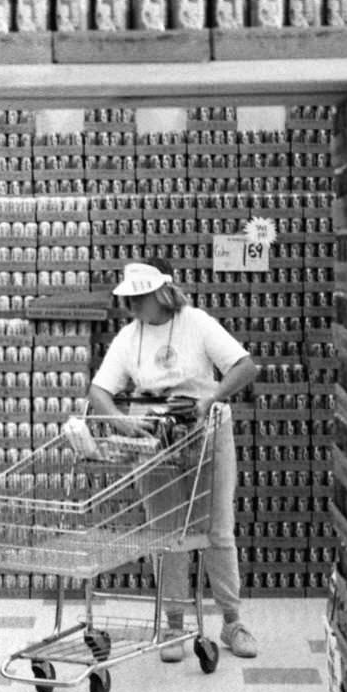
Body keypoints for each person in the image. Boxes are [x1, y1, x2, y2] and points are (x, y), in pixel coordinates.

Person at [87, 260, 260, 661]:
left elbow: (244, 366)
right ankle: (175, 625)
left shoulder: (196, 323)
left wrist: (211, 399)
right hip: (156, 442)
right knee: (166, 534)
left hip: (207, 435)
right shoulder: (129, 337)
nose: (131, 305)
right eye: (128, 298)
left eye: (138, 297)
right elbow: (100, 390)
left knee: (217, 528)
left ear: (160, 294)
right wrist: (120, 423)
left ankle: (232, 621)